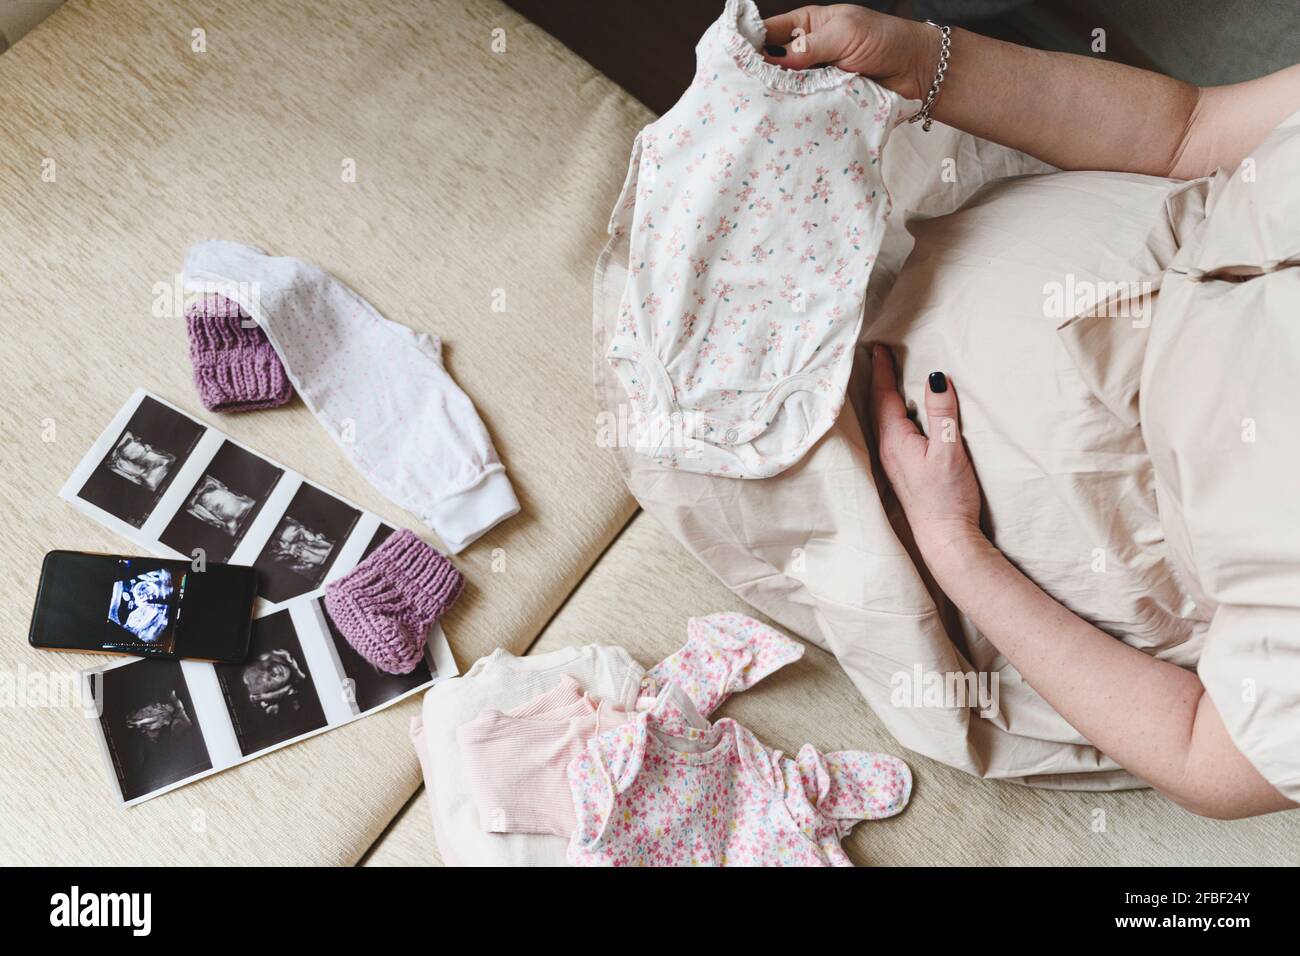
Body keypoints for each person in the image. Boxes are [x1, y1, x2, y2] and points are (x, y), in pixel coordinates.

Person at [763, 5, 1300, 819]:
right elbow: (1190, 130)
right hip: (988, 232)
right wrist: (920, 59)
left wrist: (954, 545)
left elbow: (1206, 754)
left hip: (1015, 521)